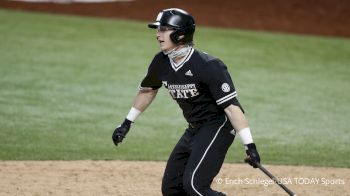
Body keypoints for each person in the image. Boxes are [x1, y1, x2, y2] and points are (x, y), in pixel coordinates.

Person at [112, 8, 261, 196]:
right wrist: (126, 123)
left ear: (180, 34)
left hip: (218, 126)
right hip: (194, 128)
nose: (158, 35)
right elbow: (148, 90)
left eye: (164, 29)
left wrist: (250, 146)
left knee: (195, 186)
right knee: (171, 189)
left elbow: (232, 108)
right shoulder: (161, 62)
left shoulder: (208, 65)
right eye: (158, 30)